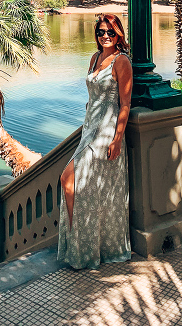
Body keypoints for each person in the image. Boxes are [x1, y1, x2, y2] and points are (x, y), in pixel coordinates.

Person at [58, 14, 133, 269]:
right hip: (89, 129)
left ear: (118, 34)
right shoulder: (94, 58)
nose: (105, 37)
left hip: (106, 133)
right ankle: (80, 246)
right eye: (101, 32)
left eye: (110, 33)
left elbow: (125, 104)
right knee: (85, 189)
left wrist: (118, 139)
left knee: (70, 180)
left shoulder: (121, 61)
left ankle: (85, 248)